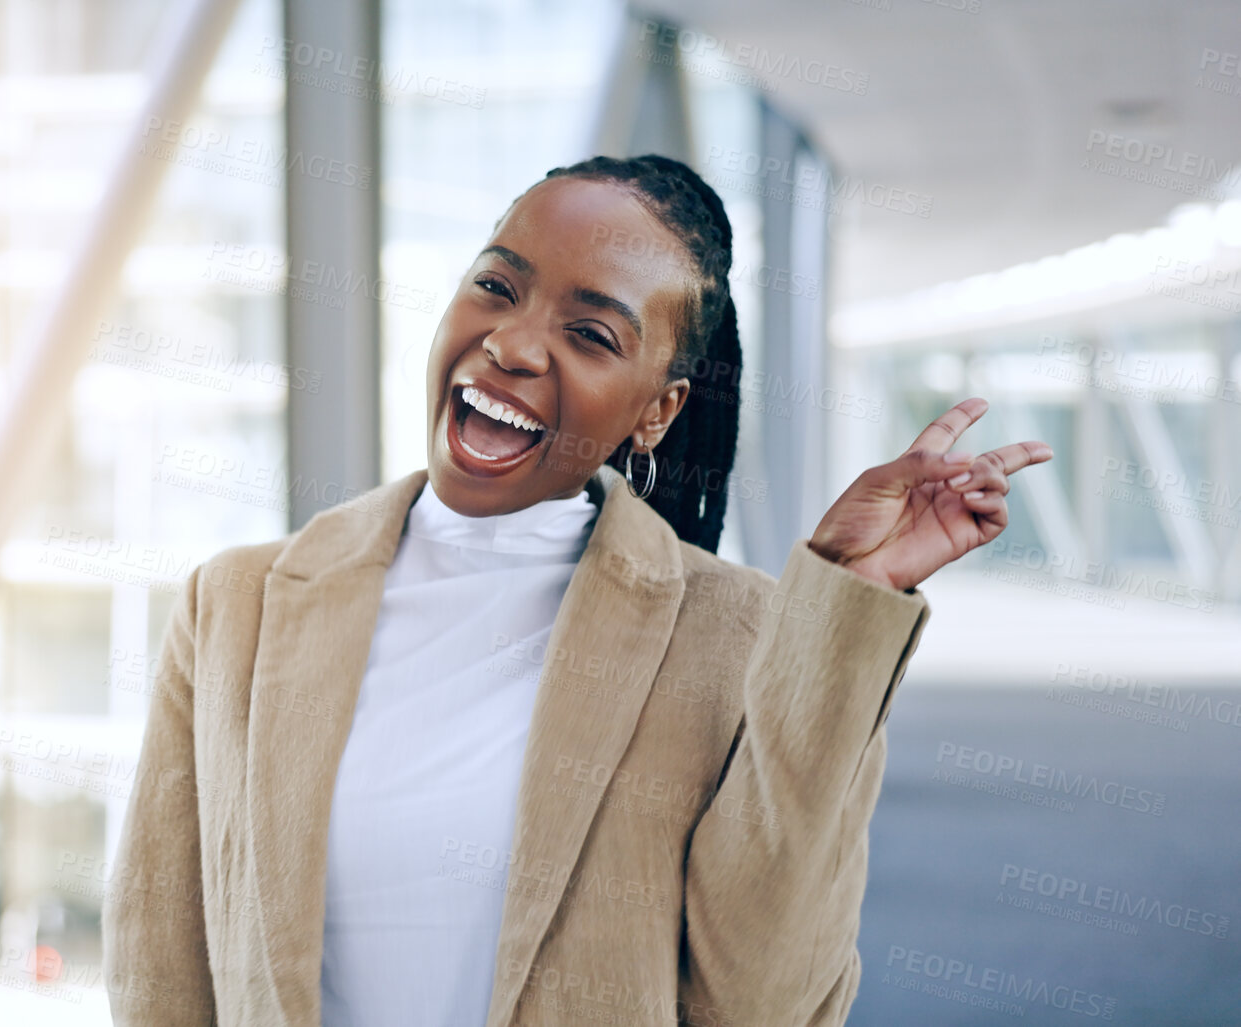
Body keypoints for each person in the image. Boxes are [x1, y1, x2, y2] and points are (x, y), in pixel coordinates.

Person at [101, 154, 1053, 1026]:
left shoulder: (736, 634)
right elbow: (160, 975)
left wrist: (844, 602)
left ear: (656, 409)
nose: (511, 346)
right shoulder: (236, 608)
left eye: (589, 333)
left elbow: (761, 1003)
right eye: (495, 286)